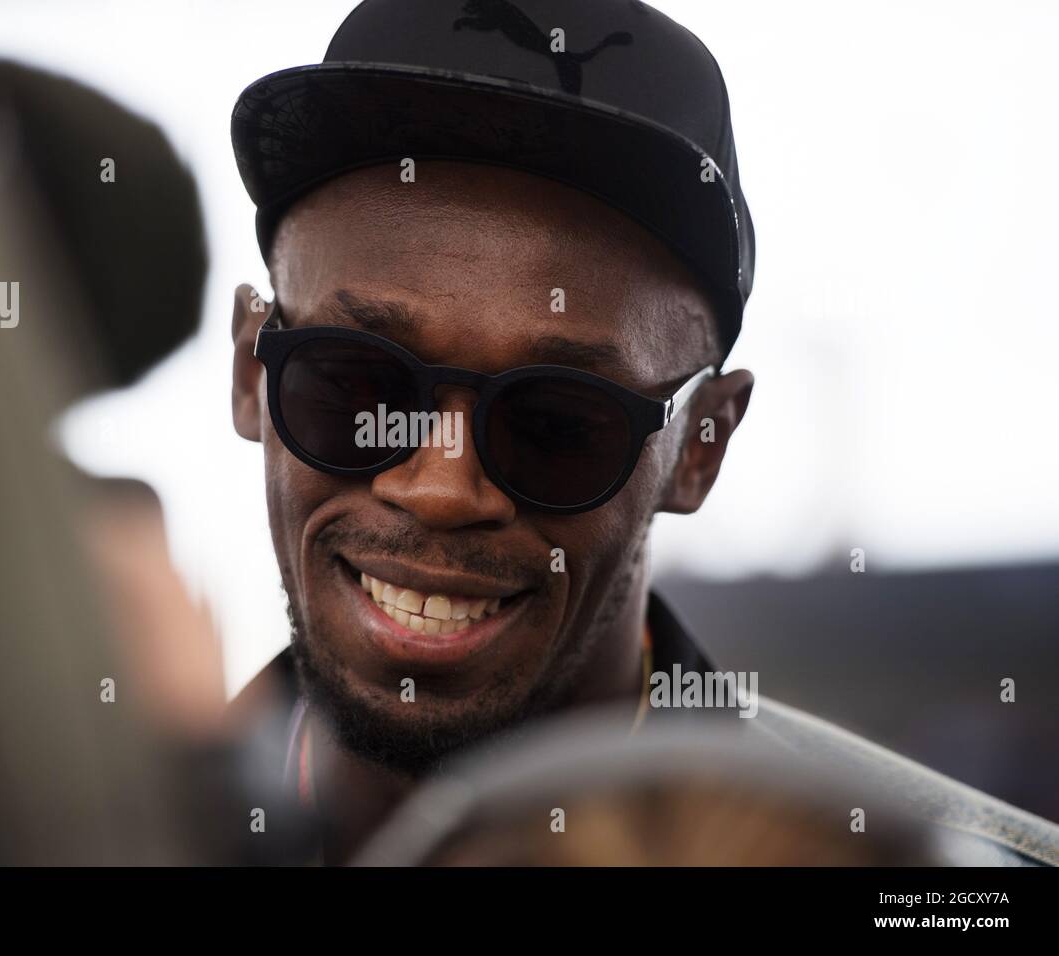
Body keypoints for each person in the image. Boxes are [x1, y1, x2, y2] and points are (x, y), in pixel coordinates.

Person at [224, 0, 1059, 865]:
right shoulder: (92, 828)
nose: (440, 485)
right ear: (252, 372)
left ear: (702, 446)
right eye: (358, 382)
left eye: (555, 423)